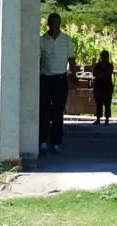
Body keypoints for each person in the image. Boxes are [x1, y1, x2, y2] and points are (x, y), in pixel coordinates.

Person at [40, 13, 76, 154]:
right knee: (44, 111)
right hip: (46, 79)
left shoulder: (66, 39)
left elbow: (71, 59)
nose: (55, 26)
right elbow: (38, 60)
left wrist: (75, 76)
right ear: (48, 24)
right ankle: (42, 141)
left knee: (57, 112)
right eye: (53, 23)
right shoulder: (42, 40)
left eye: (57, 23)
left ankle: (56, 143)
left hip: (60, 80)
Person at [92, 50, 114, 125]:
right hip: (98, 86)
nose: (104, 58)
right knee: (99, 103)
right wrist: (102, 75)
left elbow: (108, 74)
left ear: (107, 57)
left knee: (107, 103)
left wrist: (100, 75)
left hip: (107, 87)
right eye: (103, 57)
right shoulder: (97, 65)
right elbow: (94, 73)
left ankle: (107, 119)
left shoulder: (110, 65)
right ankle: (98, 118)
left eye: (105, 57)